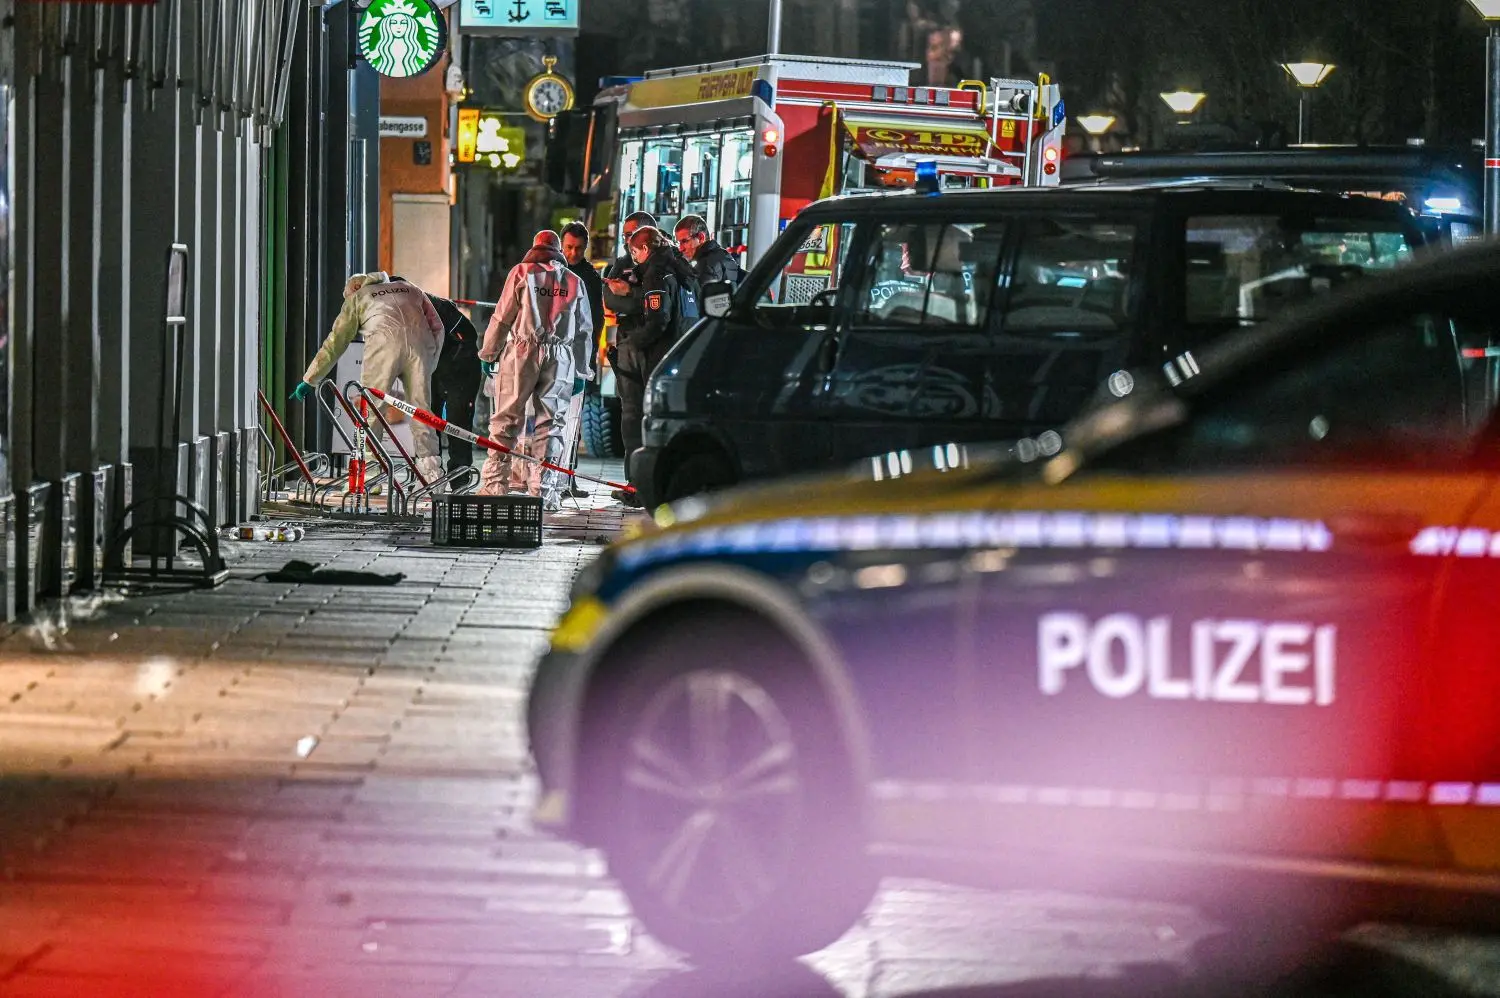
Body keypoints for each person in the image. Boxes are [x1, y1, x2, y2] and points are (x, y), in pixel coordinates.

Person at [291, 271, 444, 484]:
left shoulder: (357, 297)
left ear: (353, 288)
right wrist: (430, 362)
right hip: (420, 346)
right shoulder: (410, 288)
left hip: (383, 346)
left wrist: (310, 379)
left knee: (371, 410)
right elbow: (437, 327)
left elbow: (335, 342)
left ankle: (372, 476)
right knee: (421, 410)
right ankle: (431, 474)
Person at [478, 230, 594, 510]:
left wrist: (489, 352)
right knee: (550, 425)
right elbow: (583, 331)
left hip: (522, 352)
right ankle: (543, 492)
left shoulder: (522, 272)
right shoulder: (574, 281)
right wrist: (580, 371)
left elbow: (503, 315)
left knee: (506, 418)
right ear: (559, 250)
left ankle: (495, 486)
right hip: (561, 358)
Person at [607, 225, 699, 504]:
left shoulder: (656, 273)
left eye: (635, 251)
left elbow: (658, 319)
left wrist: (633, 342)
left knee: (638, 421)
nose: (633, 257)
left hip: (656, 357)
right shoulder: (683, 268)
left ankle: (640, 488)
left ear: (645, 249)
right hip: (680, 355)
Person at [560, 221, 605, 498]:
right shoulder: (551, 272)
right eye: (568, 248)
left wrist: (587, 359)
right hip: (549, 355)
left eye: (578, 248)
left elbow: (596, 321)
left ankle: (568, 478)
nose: (573, 253)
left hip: (575, 356)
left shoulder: (589, 277)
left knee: (572, 421)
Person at [425, 291, 483, 476]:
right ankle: (429, 474)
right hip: (434, 363)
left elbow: (469, 335)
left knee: (458, 422)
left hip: (460, 365)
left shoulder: (437, 307)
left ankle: (459, 479)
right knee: (426, 421)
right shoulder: (400, 305)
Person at [673, 214, 745, 287]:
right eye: (678, 243)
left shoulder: (705, 266)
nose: (680, 248)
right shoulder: (721, 254)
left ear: (701, 237)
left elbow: (701, 296)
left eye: (684, 241)